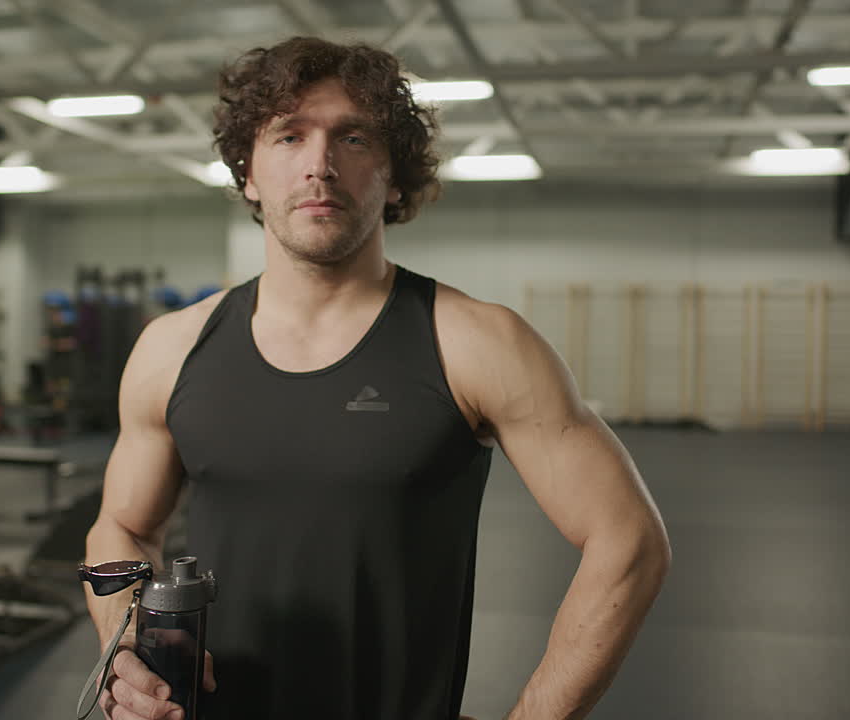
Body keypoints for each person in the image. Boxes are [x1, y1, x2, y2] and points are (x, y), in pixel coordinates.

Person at [83, 37, 671, 720]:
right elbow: (121, 528)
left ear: (394, 177)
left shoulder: (478, 343)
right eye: (288, 136)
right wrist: (124, 647)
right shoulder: (171, 349)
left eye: (353, 138)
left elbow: (629, 539)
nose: (320, 165)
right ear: (247, 172)